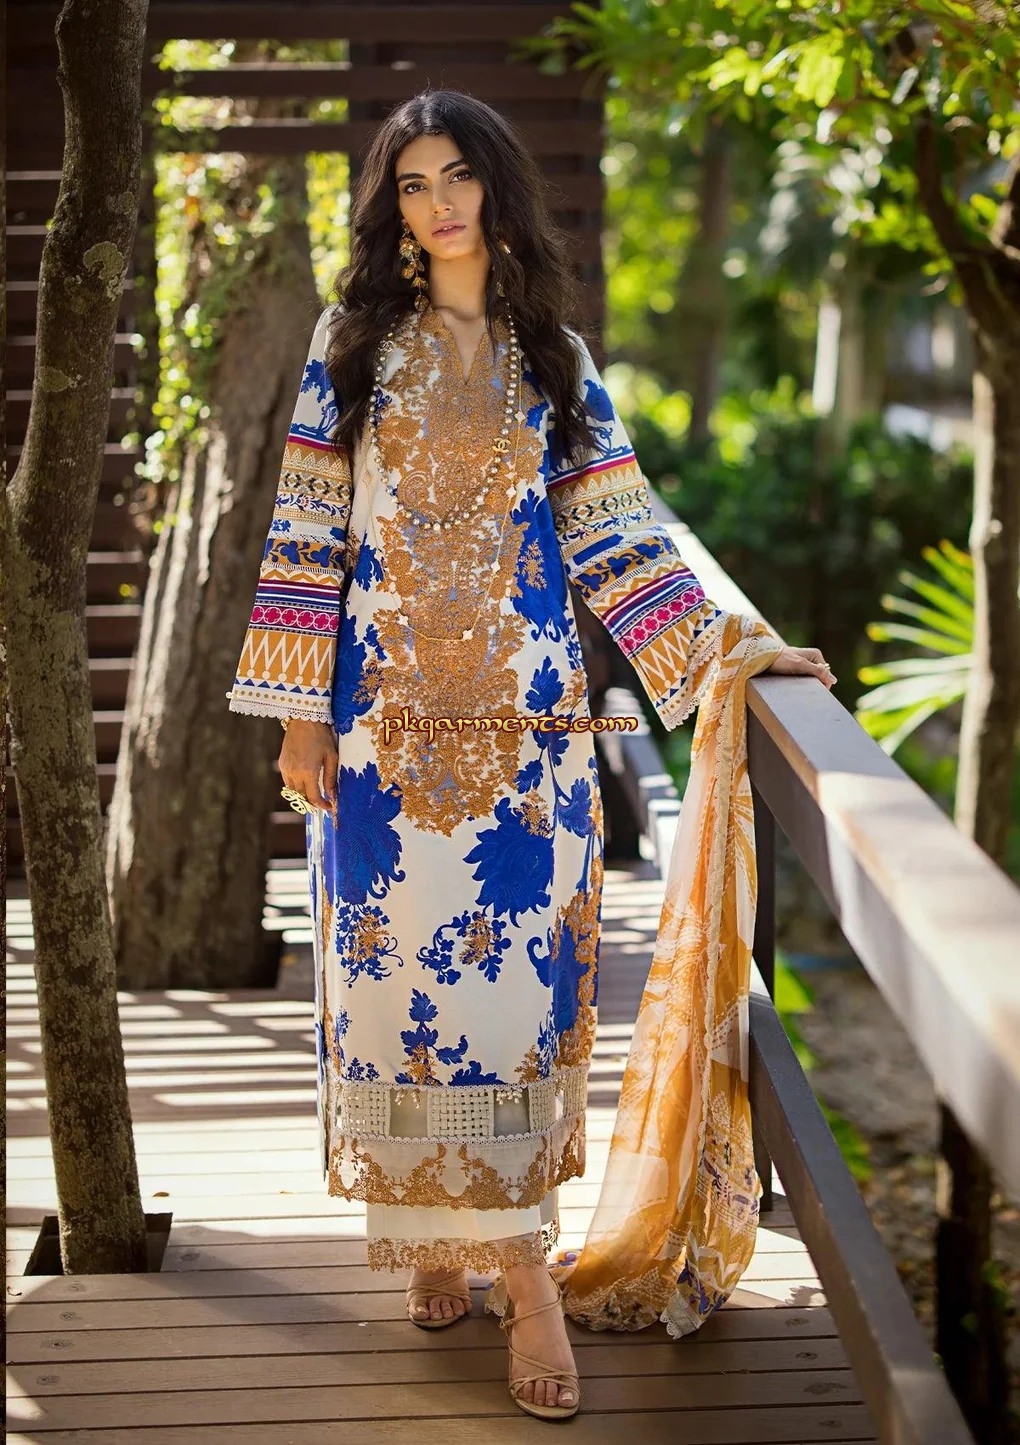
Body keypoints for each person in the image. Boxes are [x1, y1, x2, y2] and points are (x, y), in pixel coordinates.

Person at [227, 88, 835, 1423]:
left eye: (459, 177)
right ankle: (438, 1234)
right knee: (394, 997)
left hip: (525, 750)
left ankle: (529, 1282)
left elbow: (619, 536)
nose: (439, 204)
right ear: (392, 208)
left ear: (496, 187)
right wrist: (299, 711)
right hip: (382, 740)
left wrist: (734, 650)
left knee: (507, 1005)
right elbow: (310, 528)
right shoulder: (351, 346)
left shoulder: (555, 357)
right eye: (413, 184)